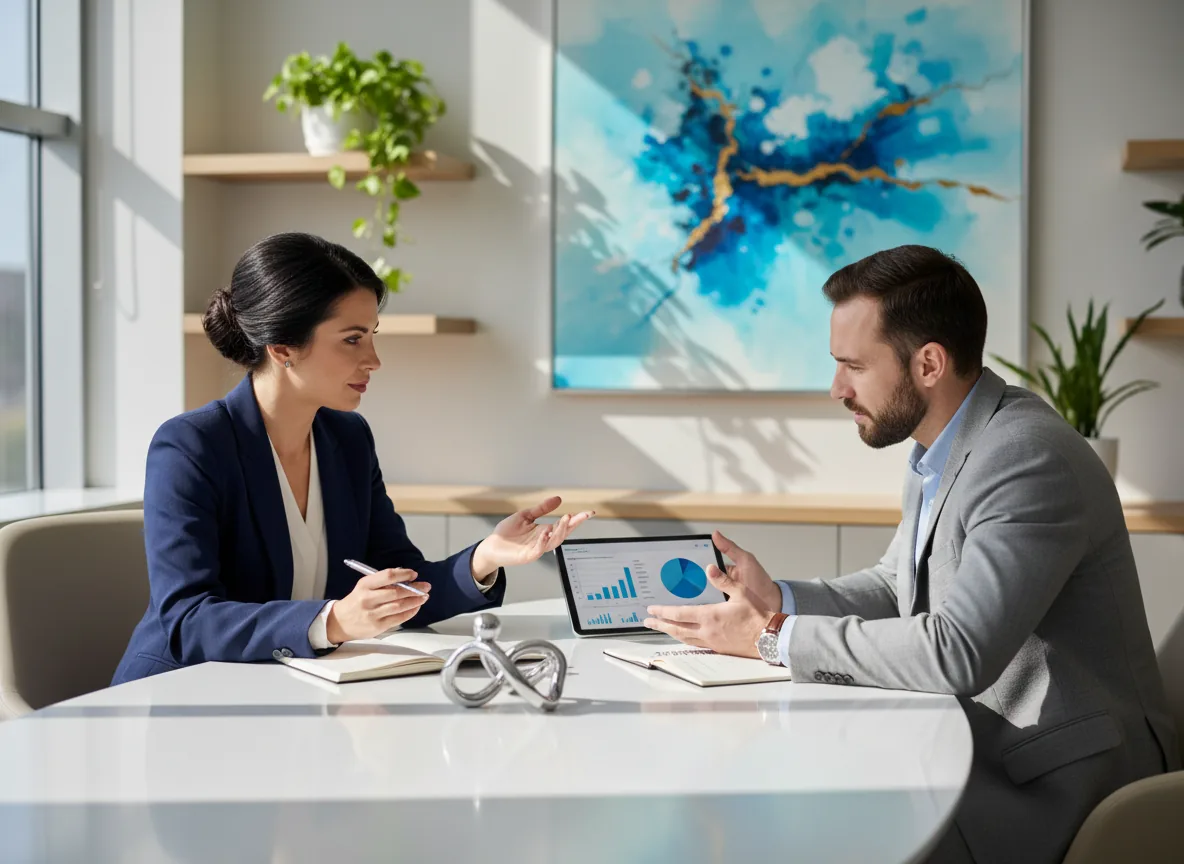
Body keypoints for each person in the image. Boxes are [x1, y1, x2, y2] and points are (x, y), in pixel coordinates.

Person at [643, 245, 1180, 863]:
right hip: (981, 745)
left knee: (800, 826)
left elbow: (960, 650)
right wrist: (777, 599)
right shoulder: (945, 447)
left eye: (853, 366)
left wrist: (775, 638)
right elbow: (898, 587)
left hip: (1054, 784)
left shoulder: (1028, 459)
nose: (836, 388)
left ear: (928, 363)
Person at [113, 232, 593, 685]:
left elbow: (400, 585)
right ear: (282, 348)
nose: (374, 359)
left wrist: (484, 558)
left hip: (298, 694)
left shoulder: (348, 439)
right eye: (352, 339)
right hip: (186, 699)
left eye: (372, 335)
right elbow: (187, 620)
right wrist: (336, 620)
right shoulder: (191, 446)